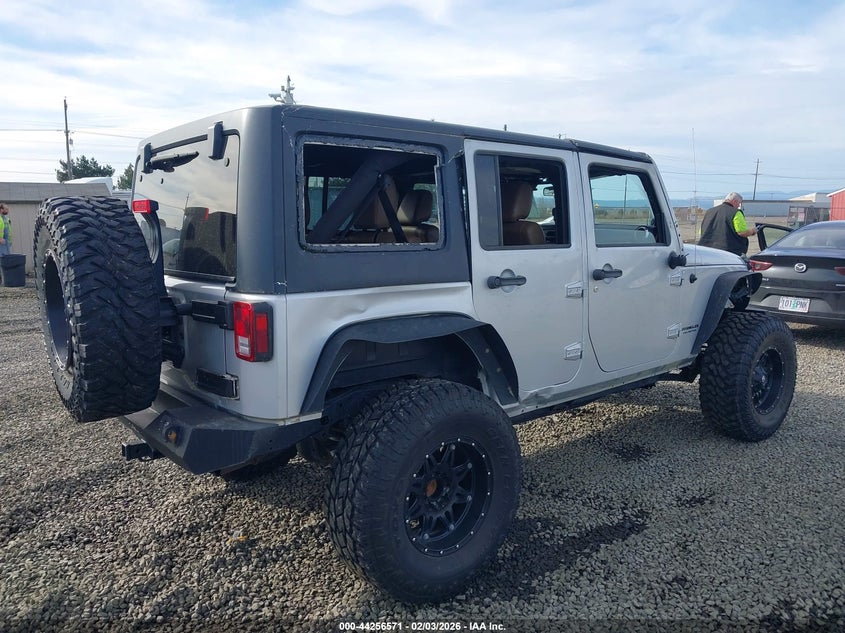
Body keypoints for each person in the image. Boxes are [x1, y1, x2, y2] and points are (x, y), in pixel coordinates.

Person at [698, 192, 757, 256]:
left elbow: (701, 232)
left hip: (706, 251)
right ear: (734, 201)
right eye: (739, 203)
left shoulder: (709, 211)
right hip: (728, 252)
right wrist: (752, 231)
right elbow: (742, 232)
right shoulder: (736, 213)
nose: (739, 206)